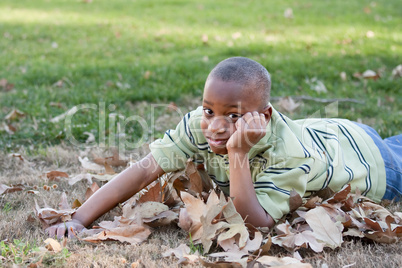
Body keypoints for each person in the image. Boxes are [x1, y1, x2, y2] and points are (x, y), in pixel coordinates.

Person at [47, 57, 402, 238]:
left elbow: (257, 222)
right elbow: (143, 170)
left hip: (376, 164)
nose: (216, 125)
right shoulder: (198, 125)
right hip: (332, 132)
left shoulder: (288, 153)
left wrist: (238, 154)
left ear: (263, 116)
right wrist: (78, 220)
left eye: (232, 116)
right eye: (208, 110)